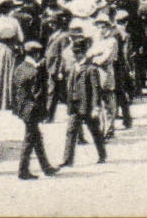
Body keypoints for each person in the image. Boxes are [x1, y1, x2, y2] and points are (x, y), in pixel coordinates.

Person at [11, 41, 60, 180]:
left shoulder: (20, 68)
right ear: (37, 54)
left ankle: (46, 167)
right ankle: (23, 170)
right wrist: (44, 113)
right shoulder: (35, 72)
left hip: (23, 109)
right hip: (32, 110)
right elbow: (38, 95)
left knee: (36, 138)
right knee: (29, 140)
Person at [61, 36, 108, 168]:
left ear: (83, 53)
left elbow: (95, 90)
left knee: (95, 131)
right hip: (74, 105)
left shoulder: (90, 69)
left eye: (78, 52)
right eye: (75, 52)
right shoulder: (73, 68)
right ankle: (67, 159)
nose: (76, 55)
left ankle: (102, 154)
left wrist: (96, 108)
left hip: (87, 105)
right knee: (70, 131)